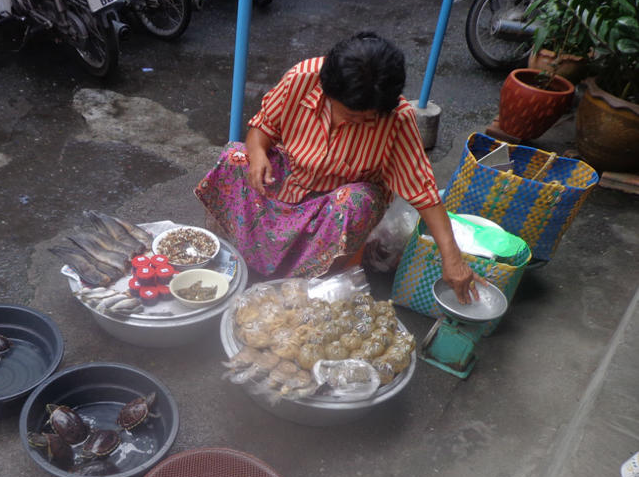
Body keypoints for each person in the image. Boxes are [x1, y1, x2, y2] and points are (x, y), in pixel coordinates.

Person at [195, 31, 483, 304]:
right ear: (328, 90)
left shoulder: (399, 118)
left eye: (364, 119)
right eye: (348, 113)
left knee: (358, 201)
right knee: (235, 157)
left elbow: (424, 192)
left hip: (335, 205)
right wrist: (257, 153)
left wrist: (452, 258)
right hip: (289, 179)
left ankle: (302, 281)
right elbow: (263, 127)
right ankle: (240, 257)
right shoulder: (303, 77)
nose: (351, 123)